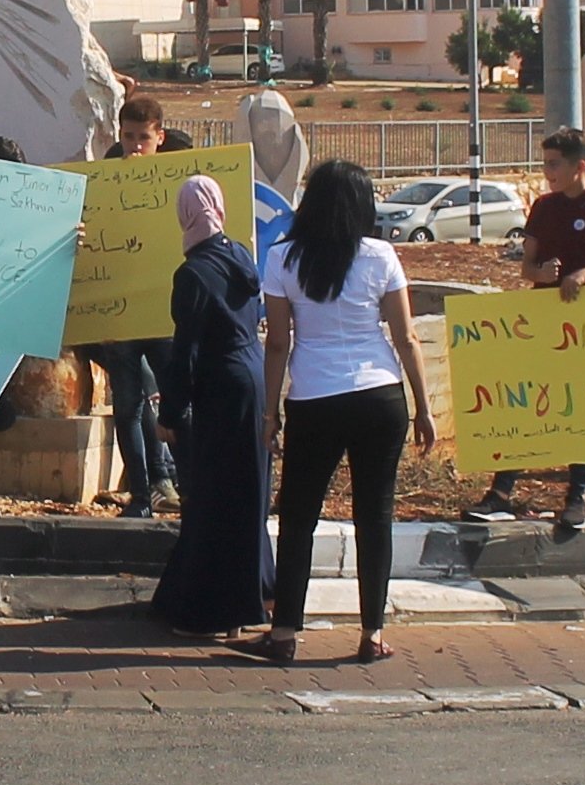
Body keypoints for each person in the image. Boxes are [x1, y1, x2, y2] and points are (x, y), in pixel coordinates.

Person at [239, 161, 437, 664]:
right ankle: (372, 633)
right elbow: (406, 337)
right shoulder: (381, 256)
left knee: (299, 515)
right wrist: (423, 407)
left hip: (314, 397)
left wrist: (269, 413)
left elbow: (279, 342)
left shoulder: (283, 259)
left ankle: (284, 632)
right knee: (376, 514)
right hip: (380, 394)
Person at [471, 128, 585, 528]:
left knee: (578, 406)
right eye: (545, 164)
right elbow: (528, 267)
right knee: (527, 400)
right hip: (543, 322)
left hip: (584, 327)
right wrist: (541, 272)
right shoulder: (543, 209)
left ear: (580, 166)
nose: (547, 172)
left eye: (553, 164)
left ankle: (576, 495)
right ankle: (500, 491)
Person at [149, 174, 275, 642]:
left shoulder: (192, 274)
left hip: (222, 388)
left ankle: (218, 609)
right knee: (249, 490)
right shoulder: (240, 254)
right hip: (255, 376)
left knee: (216, 495)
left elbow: (186, 351)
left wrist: (170, 415)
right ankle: (256, 592)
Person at [83, 94, 180, 517]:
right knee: (127, 407)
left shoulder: (179, 178)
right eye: (128, 137)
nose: (135, 146)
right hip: (119, 314)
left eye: (144, 137)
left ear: (160, 136)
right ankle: (141, 496)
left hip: (163, 314)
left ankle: (178, 485)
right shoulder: (104, 180)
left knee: (176, 404)